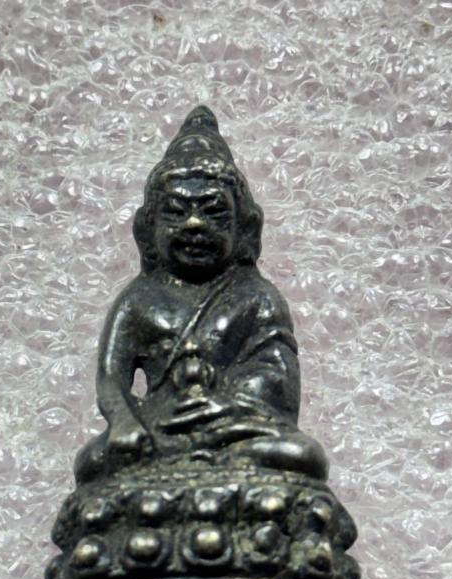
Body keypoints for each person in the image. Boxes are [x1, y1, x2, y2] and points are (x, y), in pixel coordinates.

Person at [74, 106, 328, 484]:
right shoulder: (138, 300)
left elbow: (277, 378)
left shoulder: (257, 297)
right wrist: (125, 423)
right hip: (159, 425)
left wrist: (222, 403)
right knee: (93, 461)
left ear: (245, 227)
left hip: (235, 425)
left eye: (213, 212)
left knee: (301, 455)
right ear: (147, 229)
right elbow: (111, 379)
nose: (194, 224)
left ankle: (198, 474)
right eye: (176, 212)